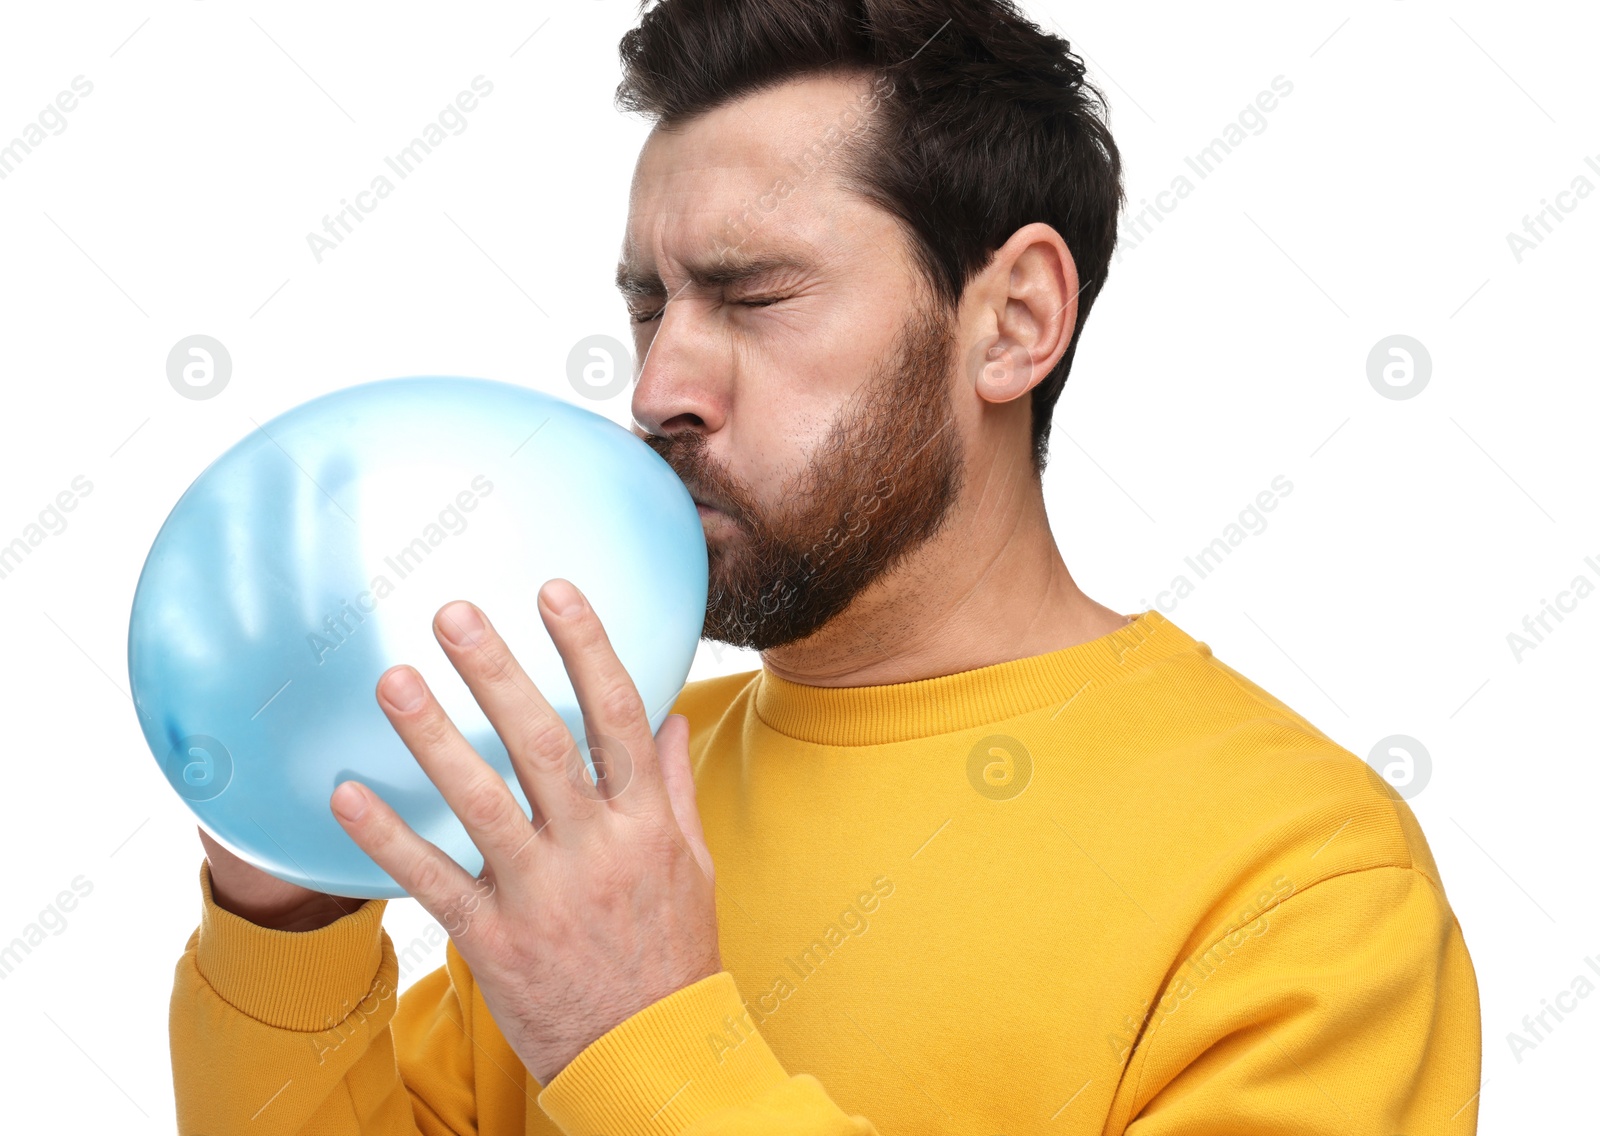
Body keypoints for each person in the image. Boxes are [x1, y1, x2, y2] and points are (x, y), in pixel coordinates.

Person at [170, 1, 1482, 1132]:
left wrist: (641, 1040)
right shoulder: (599, 786)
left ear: (1014, 321)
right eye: (651, 304)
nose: (658, 386)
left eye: (754, 296)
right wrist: (285, 910)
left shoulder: (1305, 881)